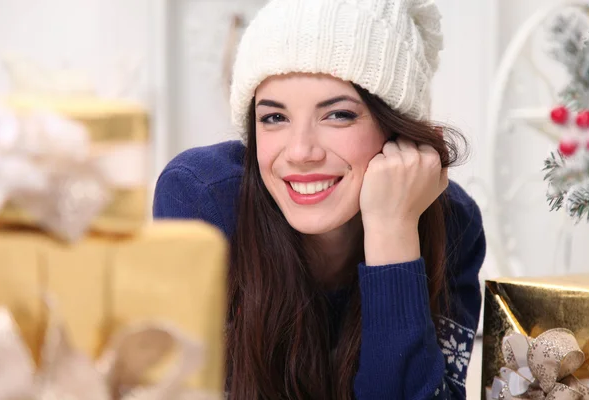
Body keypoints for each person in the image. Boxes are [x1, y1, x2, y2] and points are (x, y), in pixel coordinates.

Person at [153, 0, 486, 398]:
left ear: (398, 129)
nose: (300, 151)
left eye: (338, 115)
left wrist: (393, 233)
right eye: (274, 117)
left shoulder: (453, 226)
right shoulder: (202, 200)